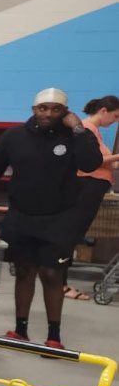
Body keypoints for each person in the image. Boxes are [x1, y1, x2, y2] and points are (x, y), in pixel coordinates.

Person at [0, 88, 102, 349]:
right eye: (43, 108)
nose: (48, 114)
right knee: (24, 271)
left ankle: (54, 337)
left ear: (65, 112)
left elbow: (90, 164)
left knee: (52, 274)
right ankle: (20, 331)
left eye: (55, 109)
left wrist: (78, 130)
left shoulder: (73, 136)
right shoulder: (14, 136)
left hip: (59, 217)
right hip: (21, 216)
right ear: (34, 110)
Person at [63, 95, 119, 300]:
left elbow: (102, 161)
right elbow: (92, 161)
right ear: (103, 111)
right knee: (70, 235)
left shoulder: (95, 132)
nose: (115, 121)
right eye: (115, 116)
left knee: (73, 234)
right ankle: (60, 284)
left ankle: (59, 282)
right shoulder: (86, 129)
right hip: (86, 188)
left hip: (93, 188)